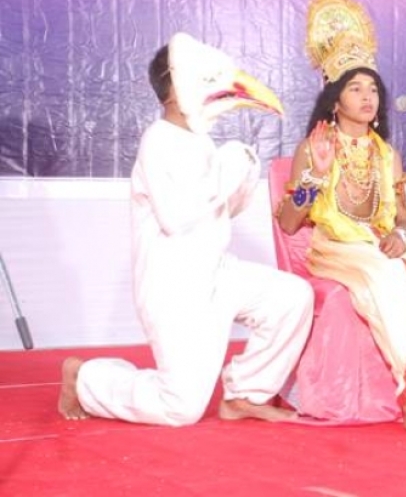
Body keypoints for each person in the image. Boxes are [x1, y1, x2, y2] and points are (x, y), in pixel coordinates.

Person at [58, 33, 314, 426]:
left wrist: (243, 170)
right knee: (180, 408)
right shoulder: (158, 141)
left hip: (218, 271)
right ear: (176, 91)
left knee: (291, 297)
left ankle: (245, 394)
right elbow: (176, 216)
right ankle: (87, 379)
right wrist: (231, 164)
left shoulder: (202, 142)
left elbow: (227, 209)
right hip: (174, 285)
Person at [277, 0, 406, 436]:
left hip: (381, 243)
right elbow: (289, 223)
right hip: (337, 248)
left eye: (372, 88)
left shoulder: (387, 154)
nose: (367, 96)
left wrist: (402, 236)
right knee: (388, 277)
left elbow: (402, 219)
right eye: (355, 88)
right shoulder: (315, 147)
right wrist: (316, 174)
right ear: (335, 99)